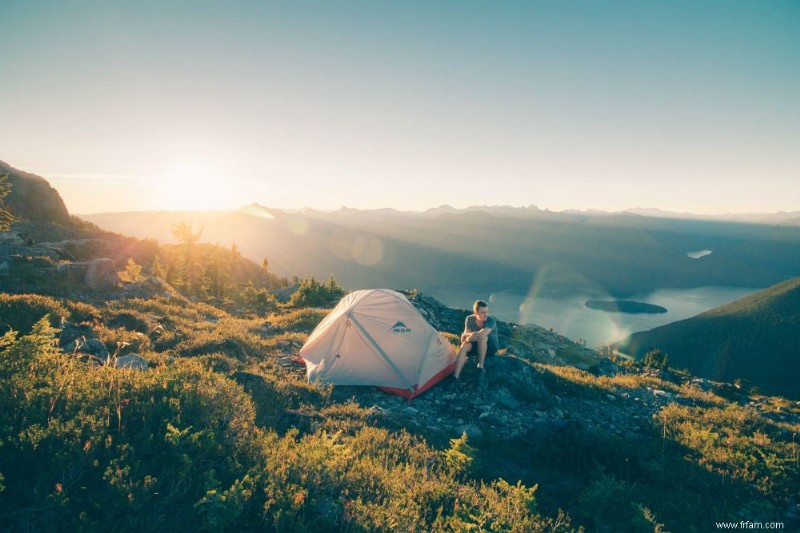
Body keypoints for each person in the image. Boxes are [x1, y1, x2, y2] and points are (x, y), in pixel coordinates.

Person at [453, 300, 498, 380]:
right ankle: (455, 376)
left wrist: (470, 336)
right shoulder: (470, 319)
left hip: (490, 348)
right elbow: (464, 336)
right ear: (476, 313)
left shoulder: (491, 320)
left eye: (487, 312)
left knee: (483, 337)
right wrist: (469, 336)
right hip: (475, 345)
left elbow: (482, 334)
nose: (486, 315)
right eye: (483, 312)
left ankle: (480, 367)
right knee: (464, 345)